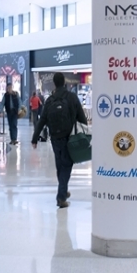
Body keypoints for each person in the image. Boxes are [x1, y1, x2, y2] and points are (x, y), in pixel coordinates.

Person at [32, 72, 87, 208]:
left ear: (54, 84)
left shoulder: (50, 100)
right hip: (69, 137)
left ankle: (63, 189)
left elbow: (42, 120)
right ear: (65, 82)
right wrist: (84, 133)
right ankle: (61, 197)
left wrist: (35, 138)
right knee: (67, 165)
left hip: (55, 137)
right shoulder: (72, 97)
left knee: (60, 165)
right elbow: (82, 118)